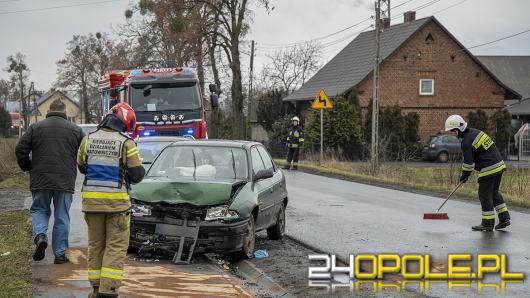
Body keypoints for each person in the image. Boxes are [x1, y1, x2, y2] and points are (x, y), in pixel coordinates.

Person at [77, 102, 145, 298]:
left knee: (96, 245)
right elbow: (138, 174)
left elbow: (82, 166)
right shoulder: (127, 143)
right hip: (117, 206)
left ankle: (96, 289)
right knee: (115, 247)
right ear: (124, 121)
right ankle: (109, 290)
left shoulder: (87, 140)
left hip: (91, 204)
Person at [15, 99, 84, 264]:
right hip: (65, 181)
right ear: (65, 112)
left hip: (40, 179)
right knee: (62, 216)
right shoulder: (75, 130)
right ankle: (60, 255)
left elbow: (20, 149)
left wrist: (28, 167)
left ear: (48, 110)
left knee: (39, 210)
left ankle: (40, 236)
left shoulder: (35, 128)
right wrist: (83, 170)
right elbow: (85, 152)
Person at [445, 115, 510, 231]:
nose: (452, 134)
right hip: (499, 165)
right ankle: (504, 218)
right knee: (494, 193)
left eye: (452, 131)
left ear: (458, 129)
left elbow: (469, 163)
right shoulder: (475, 132)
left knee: (484, 195)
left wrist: (464, 176)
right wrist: (466, 174)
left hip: (489, 167)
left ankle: (487, 223)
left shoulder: (466, 142)